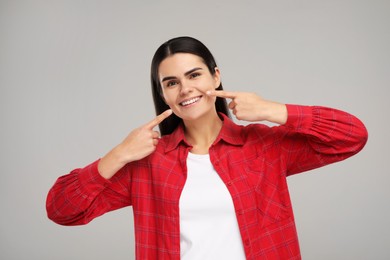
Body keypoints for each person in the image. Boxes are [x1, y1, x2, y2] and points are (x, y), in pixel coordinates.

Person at [46, 36, 368, 259]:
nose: (185, 89)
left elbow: (353, 136)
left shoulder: (263, 147)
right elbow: (61, 209)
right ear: (164, 94)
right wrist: (119, 154)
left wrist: (272, 110)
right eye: (171, 83)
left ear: (215, 76)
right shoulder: (148, 164)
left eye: (194, 75)